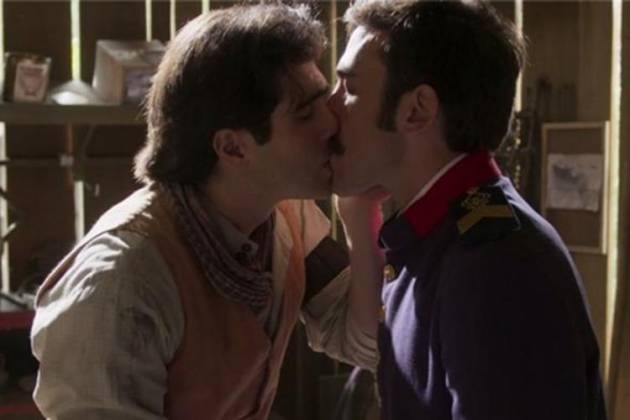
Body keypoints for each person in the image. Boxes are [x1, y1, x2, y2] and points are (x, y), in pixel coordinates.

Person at [30, 4, 380, 419]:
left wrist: (359, 212)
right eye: (306, 113)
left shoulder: (285, 217)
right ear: (233, 148)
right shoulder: (121, 282)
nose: (332, 123)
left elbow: (363, 342)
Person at [328, 0, 607, 419]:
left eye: (349, 88)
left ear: (417, 110)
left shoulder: (494, 264)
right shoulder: (435, 238)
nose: (329, 109)